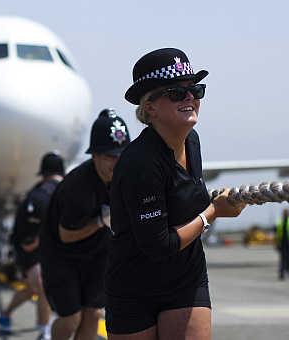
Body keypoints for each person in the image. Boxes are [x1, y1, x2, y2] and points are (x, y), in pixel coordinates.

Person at [105, 48, 247, 340]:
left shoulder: (191, 140)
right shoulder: (140, 164)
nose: (189, 98)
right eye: (175, 92)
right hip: (134, 288)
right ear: (150, 108)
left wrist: (218, 204)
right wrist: (214, 212)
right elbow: (159, 245)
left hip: (186, 278)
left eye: (195, 90)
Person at [40, 109, 131, 340]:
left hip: (98, 254)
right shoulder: (77, 186)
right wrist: (100, 221)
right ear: (95, 155)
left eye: (123, 155)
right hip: (62, 256)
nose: (118, 162)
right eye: (111, 156)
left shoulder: (125, 179)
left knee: (93, 313)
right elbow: (66, 235)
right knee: (71, 318)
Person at [0, 152, 65, 339]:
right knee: (42, 285)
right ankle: (44, 331)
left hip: (47, 249)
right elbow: (27, 237)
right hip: (33, 251)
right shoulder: (39, 195)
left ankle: (5, 314)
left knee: (31, 289)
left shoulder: (46, 192)